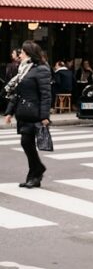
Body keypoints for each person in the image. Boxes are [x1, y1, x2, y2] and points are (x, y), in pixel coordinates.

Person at [3, 40, 51, 188]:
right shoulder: (23, 70)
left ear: (29, 54)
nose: (20, 55)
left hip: (34, 113)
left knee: (26, 143)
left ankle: (35, 173)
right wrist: (9, 112)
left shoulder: (41, 69)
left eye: (22, 53)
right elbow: (18, 93)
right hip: (23, 112)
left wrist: (44, 116)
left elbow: (46, 95)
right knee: (26, 144)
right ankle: (35, 173)